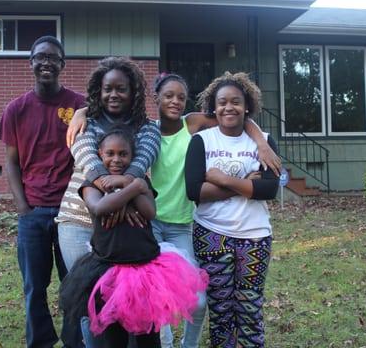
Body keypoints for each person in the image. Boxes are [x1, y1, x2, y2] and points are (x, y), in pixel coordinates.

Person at [67, 73, 282, 347]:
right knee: (153, 300)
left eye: (181, 97)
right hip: (148, 221)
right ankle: (165, 343)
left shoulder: (191, 125)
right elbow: (112, 129)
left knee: (199, 298)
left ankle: (188, 345)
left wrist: (262, 143)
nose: (175, 102)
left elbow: (236, 114)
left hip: (182, 225)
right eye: (168, 96)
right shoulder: (144, 129)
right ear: (156, 99)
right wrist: (81, 112)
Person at [59, 125, 208, 348]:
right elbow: (100, 208)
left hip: (144, 270)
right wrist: (133, 187)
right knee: (113, 336)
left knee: (148, 336)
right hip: (108, 271)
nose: (116, 159)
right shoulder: (92, 185)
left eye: (123, 154)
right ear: (100, 154)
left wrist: (134, 185)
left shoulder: (141, 183)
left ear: (132, 156)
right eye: (110, 154)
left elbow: (149, 212)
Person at [56, 57, 160, 347]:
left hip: (126, 227)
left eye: (121, 89)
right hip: (78, 221)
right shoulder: (84, 123)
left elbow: (139, 166)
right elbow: (89, 162)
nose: (113, 94)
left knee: (126, 304)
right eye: (107, 89)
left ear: (133, 92)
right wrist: (122, 193)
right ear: (98, 91)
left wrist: (121, 198)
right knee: (90, 299)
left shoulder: (148, 129)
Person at [0, 36, 86, 348]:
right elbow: (11, 162)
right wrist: (22, 207)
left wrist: (87, 111)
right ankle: (41, 342)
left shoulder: (78, 105)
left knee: (73, 282)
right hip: (32, 213)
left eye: (53, 58)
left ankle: (75, 341)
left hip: (71, 213)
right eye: (40, 57)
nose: (46, 62)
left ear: (62, 64)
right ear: (30, 63)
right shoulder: (16, 109)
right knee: (34, 285)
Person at [185, 71, 279, 348]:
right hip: (211, 234)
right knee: (221, 310)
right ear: (213, 107)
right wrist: (245, 184)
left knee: (250, 308)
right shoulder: (202, 141)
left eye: (236, 102)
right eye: (222, 102)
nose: (229, 107)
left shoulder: (264, 141)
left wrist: (221, 179)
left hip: (255, 236)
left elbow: (269, 189)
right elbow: (195, 192)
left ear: (247, 106)